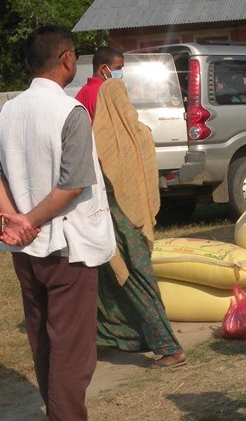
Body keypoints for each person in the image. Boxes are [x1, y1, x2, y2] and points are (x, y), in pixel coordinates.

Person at [0, 26, 115, 421]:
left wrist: (15, 222)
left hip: (26, 251)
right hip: (65, 250)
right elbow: (72, 185)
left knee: (44, 341)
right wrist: (26, 220)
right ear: (68, 59)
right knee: (72, 352)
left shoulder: (9, 109)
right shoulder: (69, 111)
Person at [91, 78, 188, 369]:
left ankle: (170, 347)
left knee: (135, 282)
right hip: (137, 220)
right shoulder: (142, 133)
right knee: (107, 284)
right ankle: (110, 338)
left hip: (116, 224)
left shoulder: (97, 138)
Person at [76, 46, 125, 120]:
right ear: (104, 69)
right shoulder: (106, 94)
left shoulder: (82, 92)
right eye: (118, 68)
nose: (121, 72)